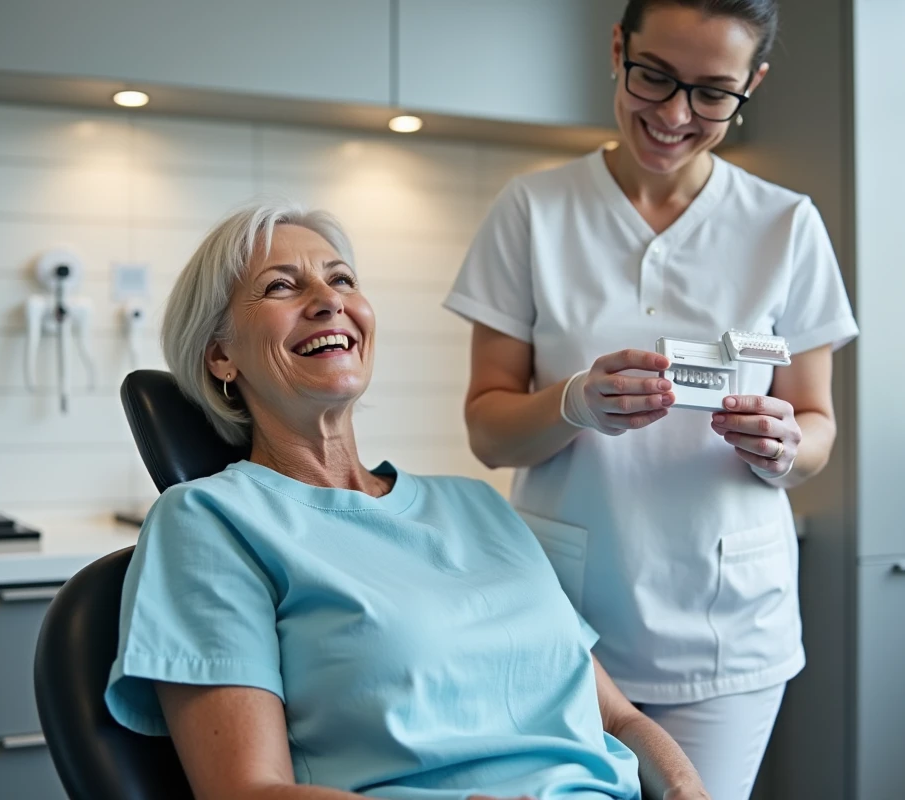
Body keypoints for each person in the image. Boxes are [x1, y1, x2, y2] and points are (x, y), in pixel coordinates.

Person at [103, 201, 711, 800]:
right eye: (282, 287)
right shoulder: (210, 523)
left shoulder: (478, 506)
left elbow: (617, 721)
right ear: (220, 354)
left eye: (341, 279)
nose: (328, 300)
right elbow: (247, 792)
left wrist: (687, 791)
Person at [443, 2, 858, 798]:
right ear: (617, 49)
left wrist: (784, 443)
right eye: (654, 76)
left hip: (729, 631)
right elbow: (489, 431)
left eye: (712, 93)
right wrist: (571, 403)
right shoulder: (531, 211)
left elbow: (817, 428)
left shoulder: (787, 226)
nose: (673, 115)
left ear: (753, 86)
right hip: (565, 620)